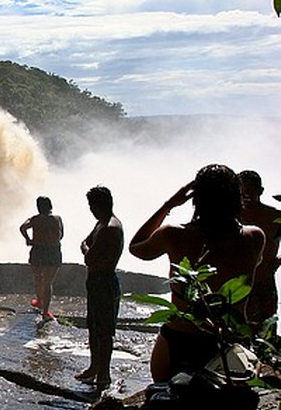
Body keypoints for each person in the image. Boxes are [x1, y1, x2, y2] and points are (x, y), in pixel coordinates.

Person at [129, 165, 264, 382]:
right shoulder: (254, 237)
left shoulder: (173, 234)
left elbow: (136, 247)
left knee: (166, 401)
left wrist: (169, 204)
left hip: (180, 337)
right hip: (229, 340)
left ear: (196, 198)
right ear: (236, 198)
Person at [77, 186, 124, 391]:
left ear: (98, 205)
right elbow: (87, 245)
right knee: (94, 327)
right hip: (96, 281)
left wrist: (86, 249)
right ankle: (94, 367)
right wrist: (88, 248)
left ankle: (104, 373)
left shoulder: (109, 228)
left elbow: (88, 255)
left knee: (104, 331)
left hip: (105, 282)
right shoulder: (101, 224)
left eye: (91, 205)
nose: (90, 209)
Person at [238, 170, 281, 326]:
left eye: (251, 190)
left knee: (266, 334)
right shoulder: (231, 216)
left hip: (264, 282)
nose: (246, 194)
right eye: (242, 190)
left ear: (260, 191)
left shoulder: (274, 217)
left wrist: (278, 260)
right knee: (236, 335)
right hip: (237, 284)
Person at [19, 196, 64, 321]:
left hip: (37, 250)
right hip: (53, 251)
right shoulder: (57, 219)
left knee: (38, 278)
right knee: (48, 282)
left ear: (38, 207)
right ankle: (45, 312)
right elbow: (61, 235)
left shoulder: (35, 219)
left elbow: (22, 227)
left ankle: (39, 301)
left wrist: (29, 240)